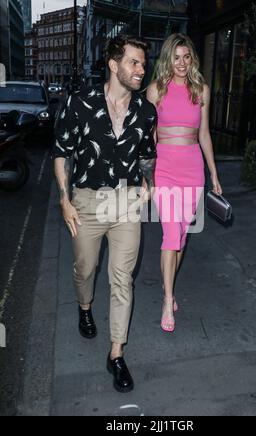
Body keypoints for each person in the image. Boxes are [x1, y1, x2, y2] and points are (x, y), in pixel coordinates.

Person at [53, 35, 157, 393]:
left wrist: (149, 180)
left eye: (143, 63)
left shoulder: (146, 111)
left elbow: (147, 150)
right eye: (134, 62)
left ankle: (116, 354)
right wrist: (65, 201)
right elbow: (62, 153)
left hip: (126, 201)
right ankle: (84, 306)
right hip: (86, 200)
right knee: (86, 269)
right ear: (114, 65)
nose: (141, 70)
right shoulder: (78, 104)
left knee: (121, 278)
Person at [147, 33, 222, 333]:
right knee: (170, 234)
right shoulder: (155, 90)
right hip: (164, 169)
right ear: (168, 59)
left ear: (192, 59)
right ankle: (168, 299)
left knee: (181, 239)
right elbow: (149, 137)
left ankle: (168, 285)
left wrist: (214, 173)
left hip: (192, 170)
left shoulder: (201, 90)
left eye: (186, 56)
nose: (181, 62)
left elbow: (204, 134)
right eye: (176, 57)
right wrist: (145, 176)